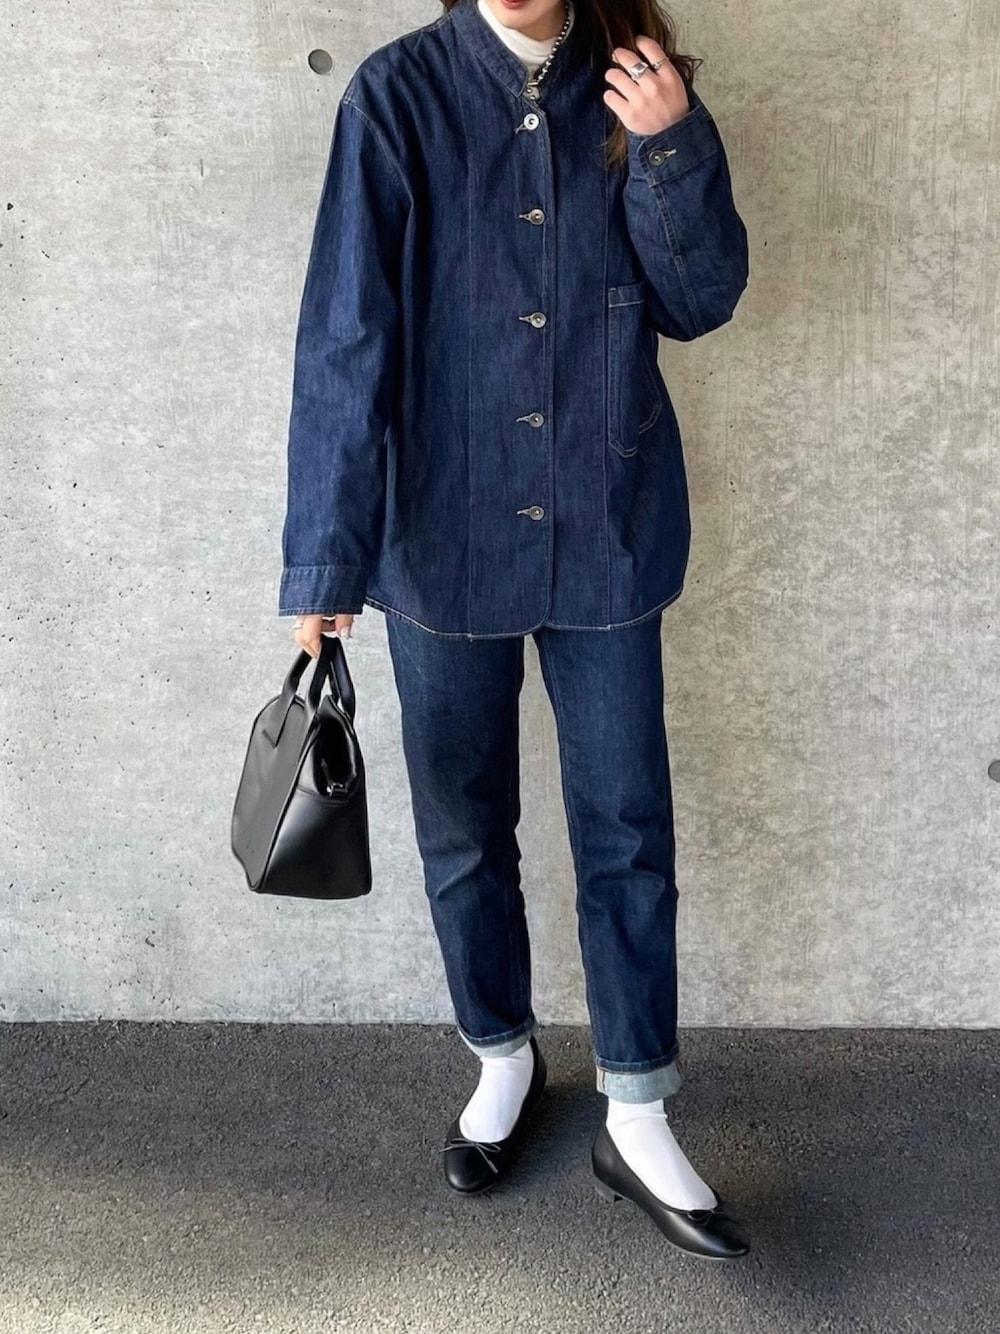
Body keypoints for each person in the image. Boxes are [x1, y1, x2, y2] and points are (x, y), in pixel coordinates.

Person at [278, 0, 750, 1260]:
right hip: (441, 534)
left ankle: (636, 1108)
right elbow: (346, 333)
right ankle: (501, 1052)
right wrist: (325, 552)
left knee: (627, 825)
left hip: (607, 521)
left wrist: (671, 144)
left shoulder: (636, 82)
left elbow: (701, 297)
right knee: (461, 822)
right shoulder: (398, 96)